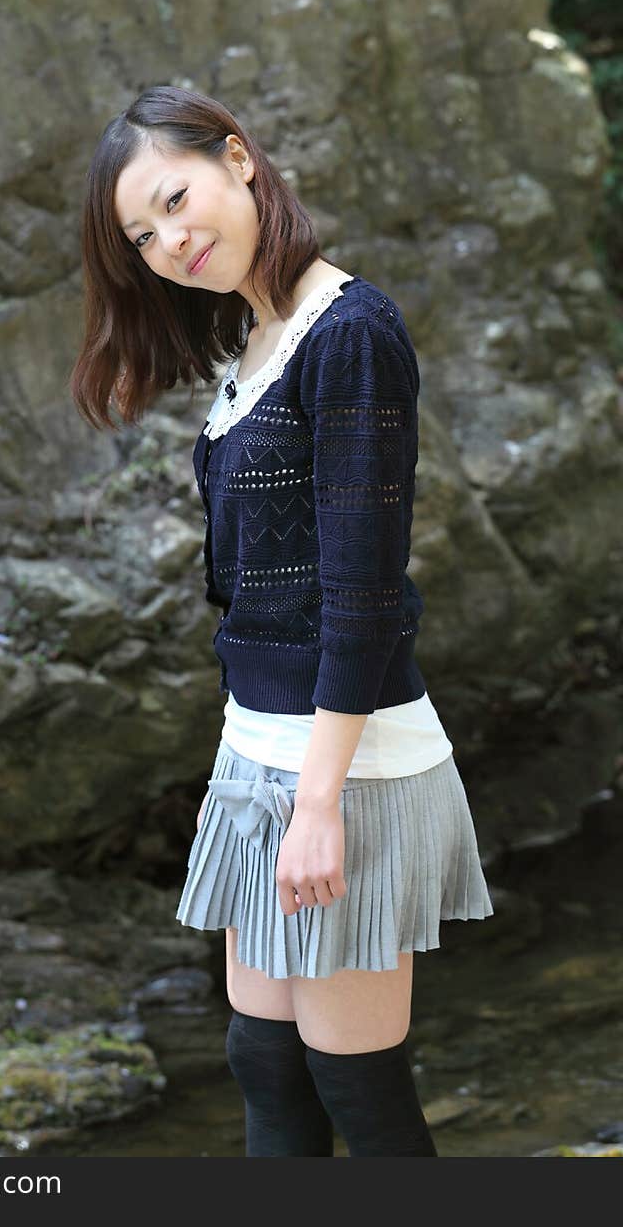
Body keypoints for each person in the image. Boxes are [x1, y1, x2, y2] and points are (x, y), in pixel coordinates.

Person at [71, 84, 494, 1157]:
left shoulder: (350, 331)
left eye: (176, 199)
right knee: (265, 1062)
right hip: (259, 752)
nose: (169, 239)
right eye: (140, 233)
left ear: (237, 159)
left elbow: (360, 590)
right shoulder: (249, 343)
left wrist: (316, 803)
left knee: (356, 1086)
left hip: (343, 769)